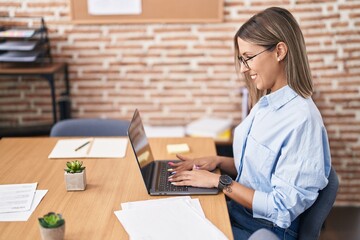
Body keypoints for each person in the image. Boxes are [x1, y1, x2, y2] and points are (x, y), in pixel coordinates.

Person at [168, 7, 331, 240]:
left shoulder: (302, 120)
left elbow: (281, 207)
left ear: (280, 51)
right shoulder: (266, 104)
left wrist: (219, 180)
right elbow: (261, 171)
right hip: (239, 212)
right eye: (241, 60)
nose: (244, 68)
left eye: (248, 58)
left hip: (264, 229)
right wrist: (217, 161)